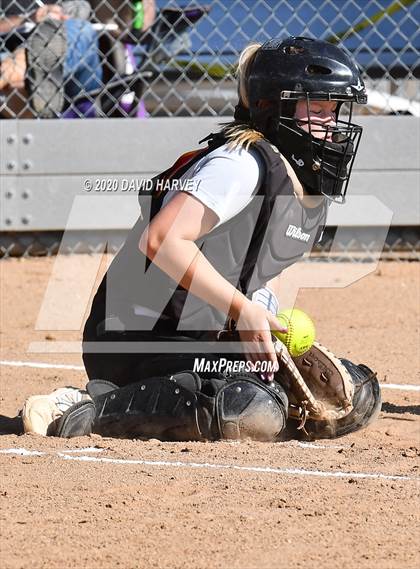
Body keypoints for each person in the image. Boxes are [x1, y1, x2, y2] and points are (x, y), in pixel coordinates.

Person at [21, 36, 381, 441]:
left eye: (333, 111)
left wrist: (265, 329)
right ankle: (86, 407)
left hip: (201, 338)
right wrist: (241, 311)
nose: (330, 125)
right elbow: (162, 240)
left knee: (354, 396)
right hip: (140, 338)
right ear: (274, 107)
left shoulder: (300, 186)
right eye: (316, 110)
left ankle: (191, 398)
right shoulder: (240, 164)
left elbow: (258, 272)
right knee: (252, 406)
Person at [0, 0, 102, 117]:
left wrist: (59, 18)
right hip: (8, 52)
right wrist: (26, 19)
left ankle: (29, 65)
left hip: (70, 65)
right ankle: (30, 69)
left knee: (82, 29)